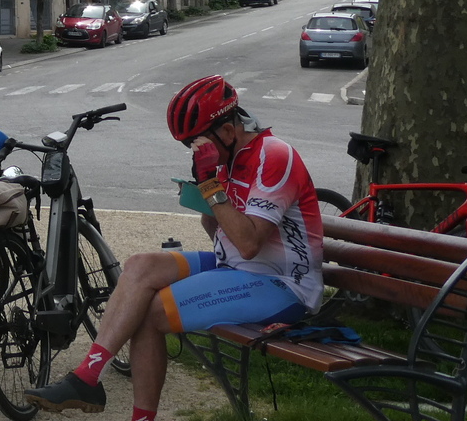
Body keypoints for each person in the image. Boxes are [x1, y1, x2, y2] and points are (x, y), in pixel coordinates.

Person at [26, 75, 323, 418]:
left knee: (152, 312)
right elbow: (218, 232)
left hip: (284, 285)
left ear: (228, 130)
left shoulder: (273, 156)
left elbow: (248, 243)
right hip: (238, 268)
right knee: (140, 266)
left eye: (197, 143)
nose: (194, 151)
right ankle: (87, 377)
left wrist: (210, 185)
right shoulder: (229, 158)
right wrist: (204, 191)